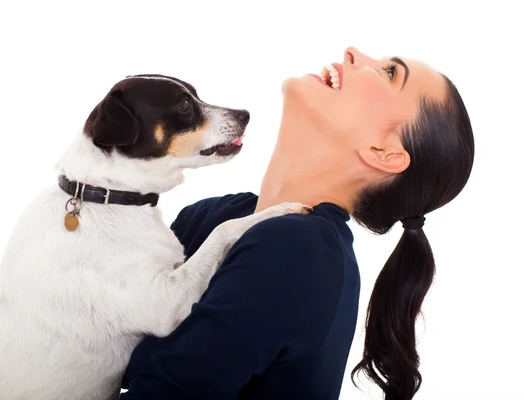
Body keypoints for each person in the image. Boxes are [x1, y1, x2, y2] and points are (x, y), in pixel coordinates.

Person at [120, 47, 475, 400]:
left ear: (384, 152)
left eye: (390, 73)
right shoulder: (212, 215)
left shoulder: (301, 252)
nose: (353, 52)